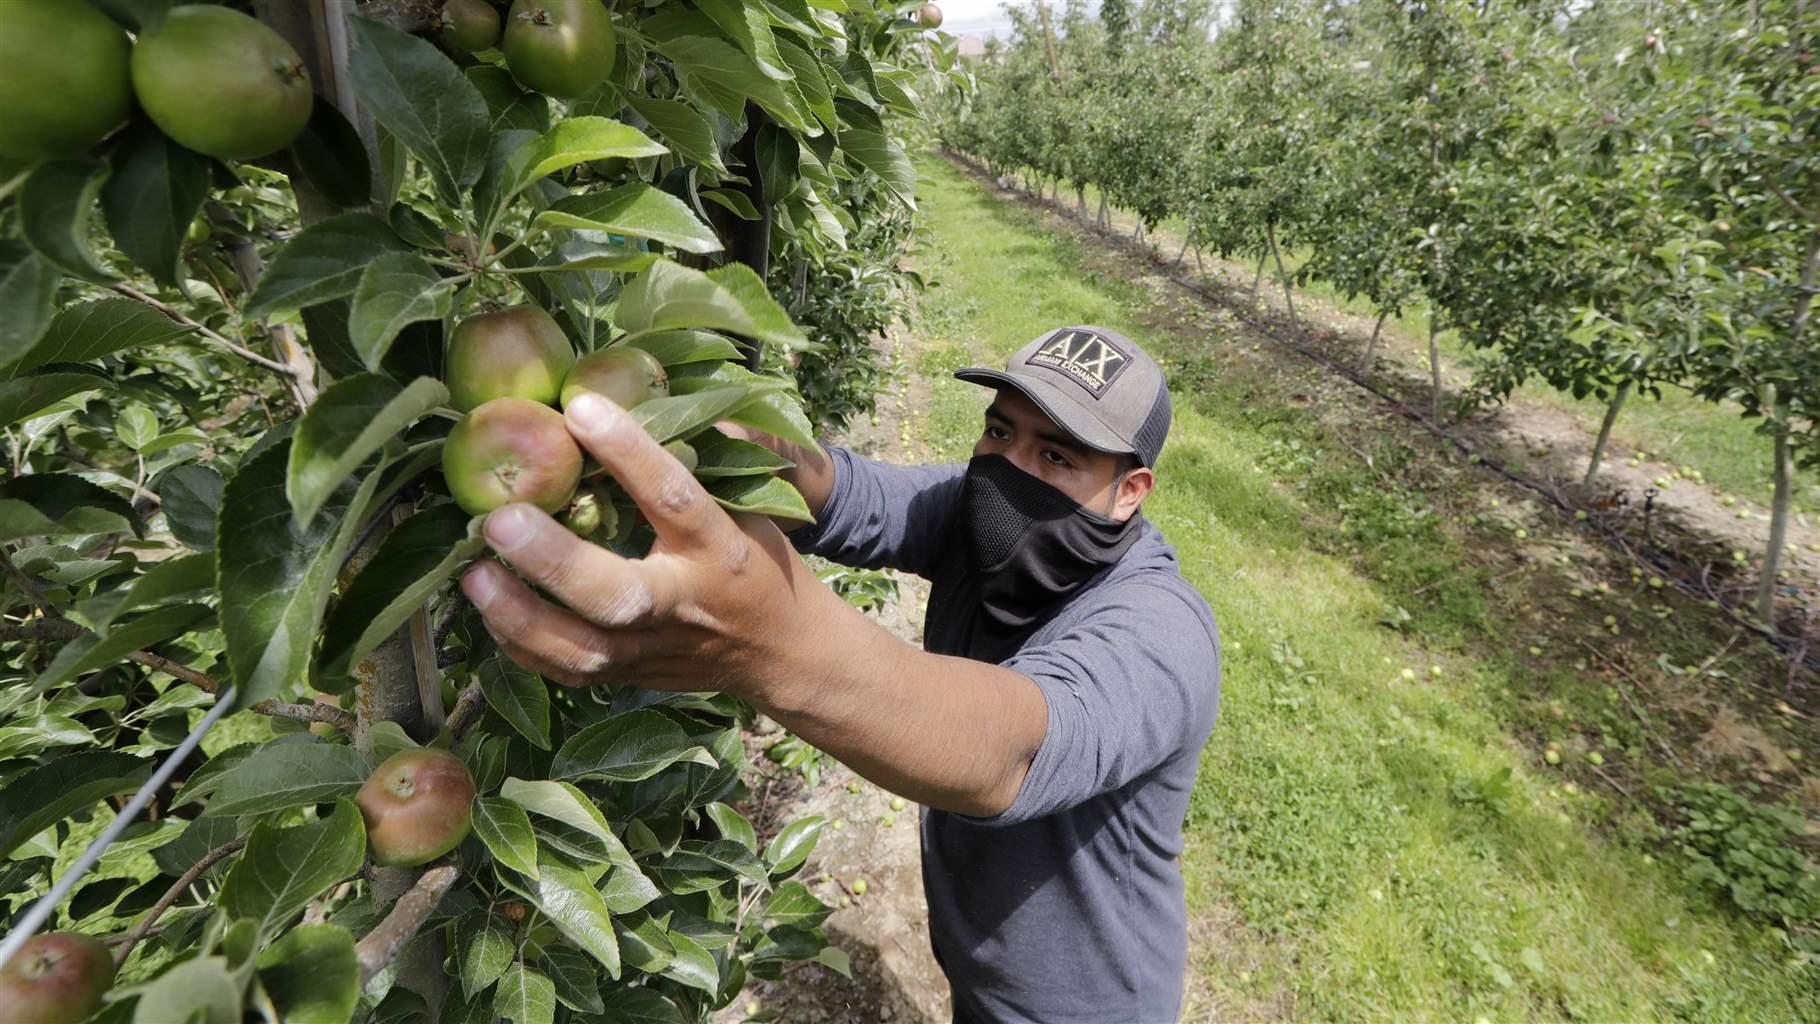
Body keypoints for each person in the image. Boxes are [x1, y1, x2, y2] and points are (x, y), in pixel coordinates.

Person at [459, 325, 1222, 1023]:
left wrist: (766, 648)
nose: (1009, 468)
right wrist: (722, 433)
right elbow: (841, 491)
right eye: (999, 430)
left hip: (1085, 1007)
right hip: (977, 962)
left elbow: (1007, 752)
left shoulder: (1161, 632)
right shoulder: (975, 517)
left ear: (1130, 491)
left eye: (1057, 455)